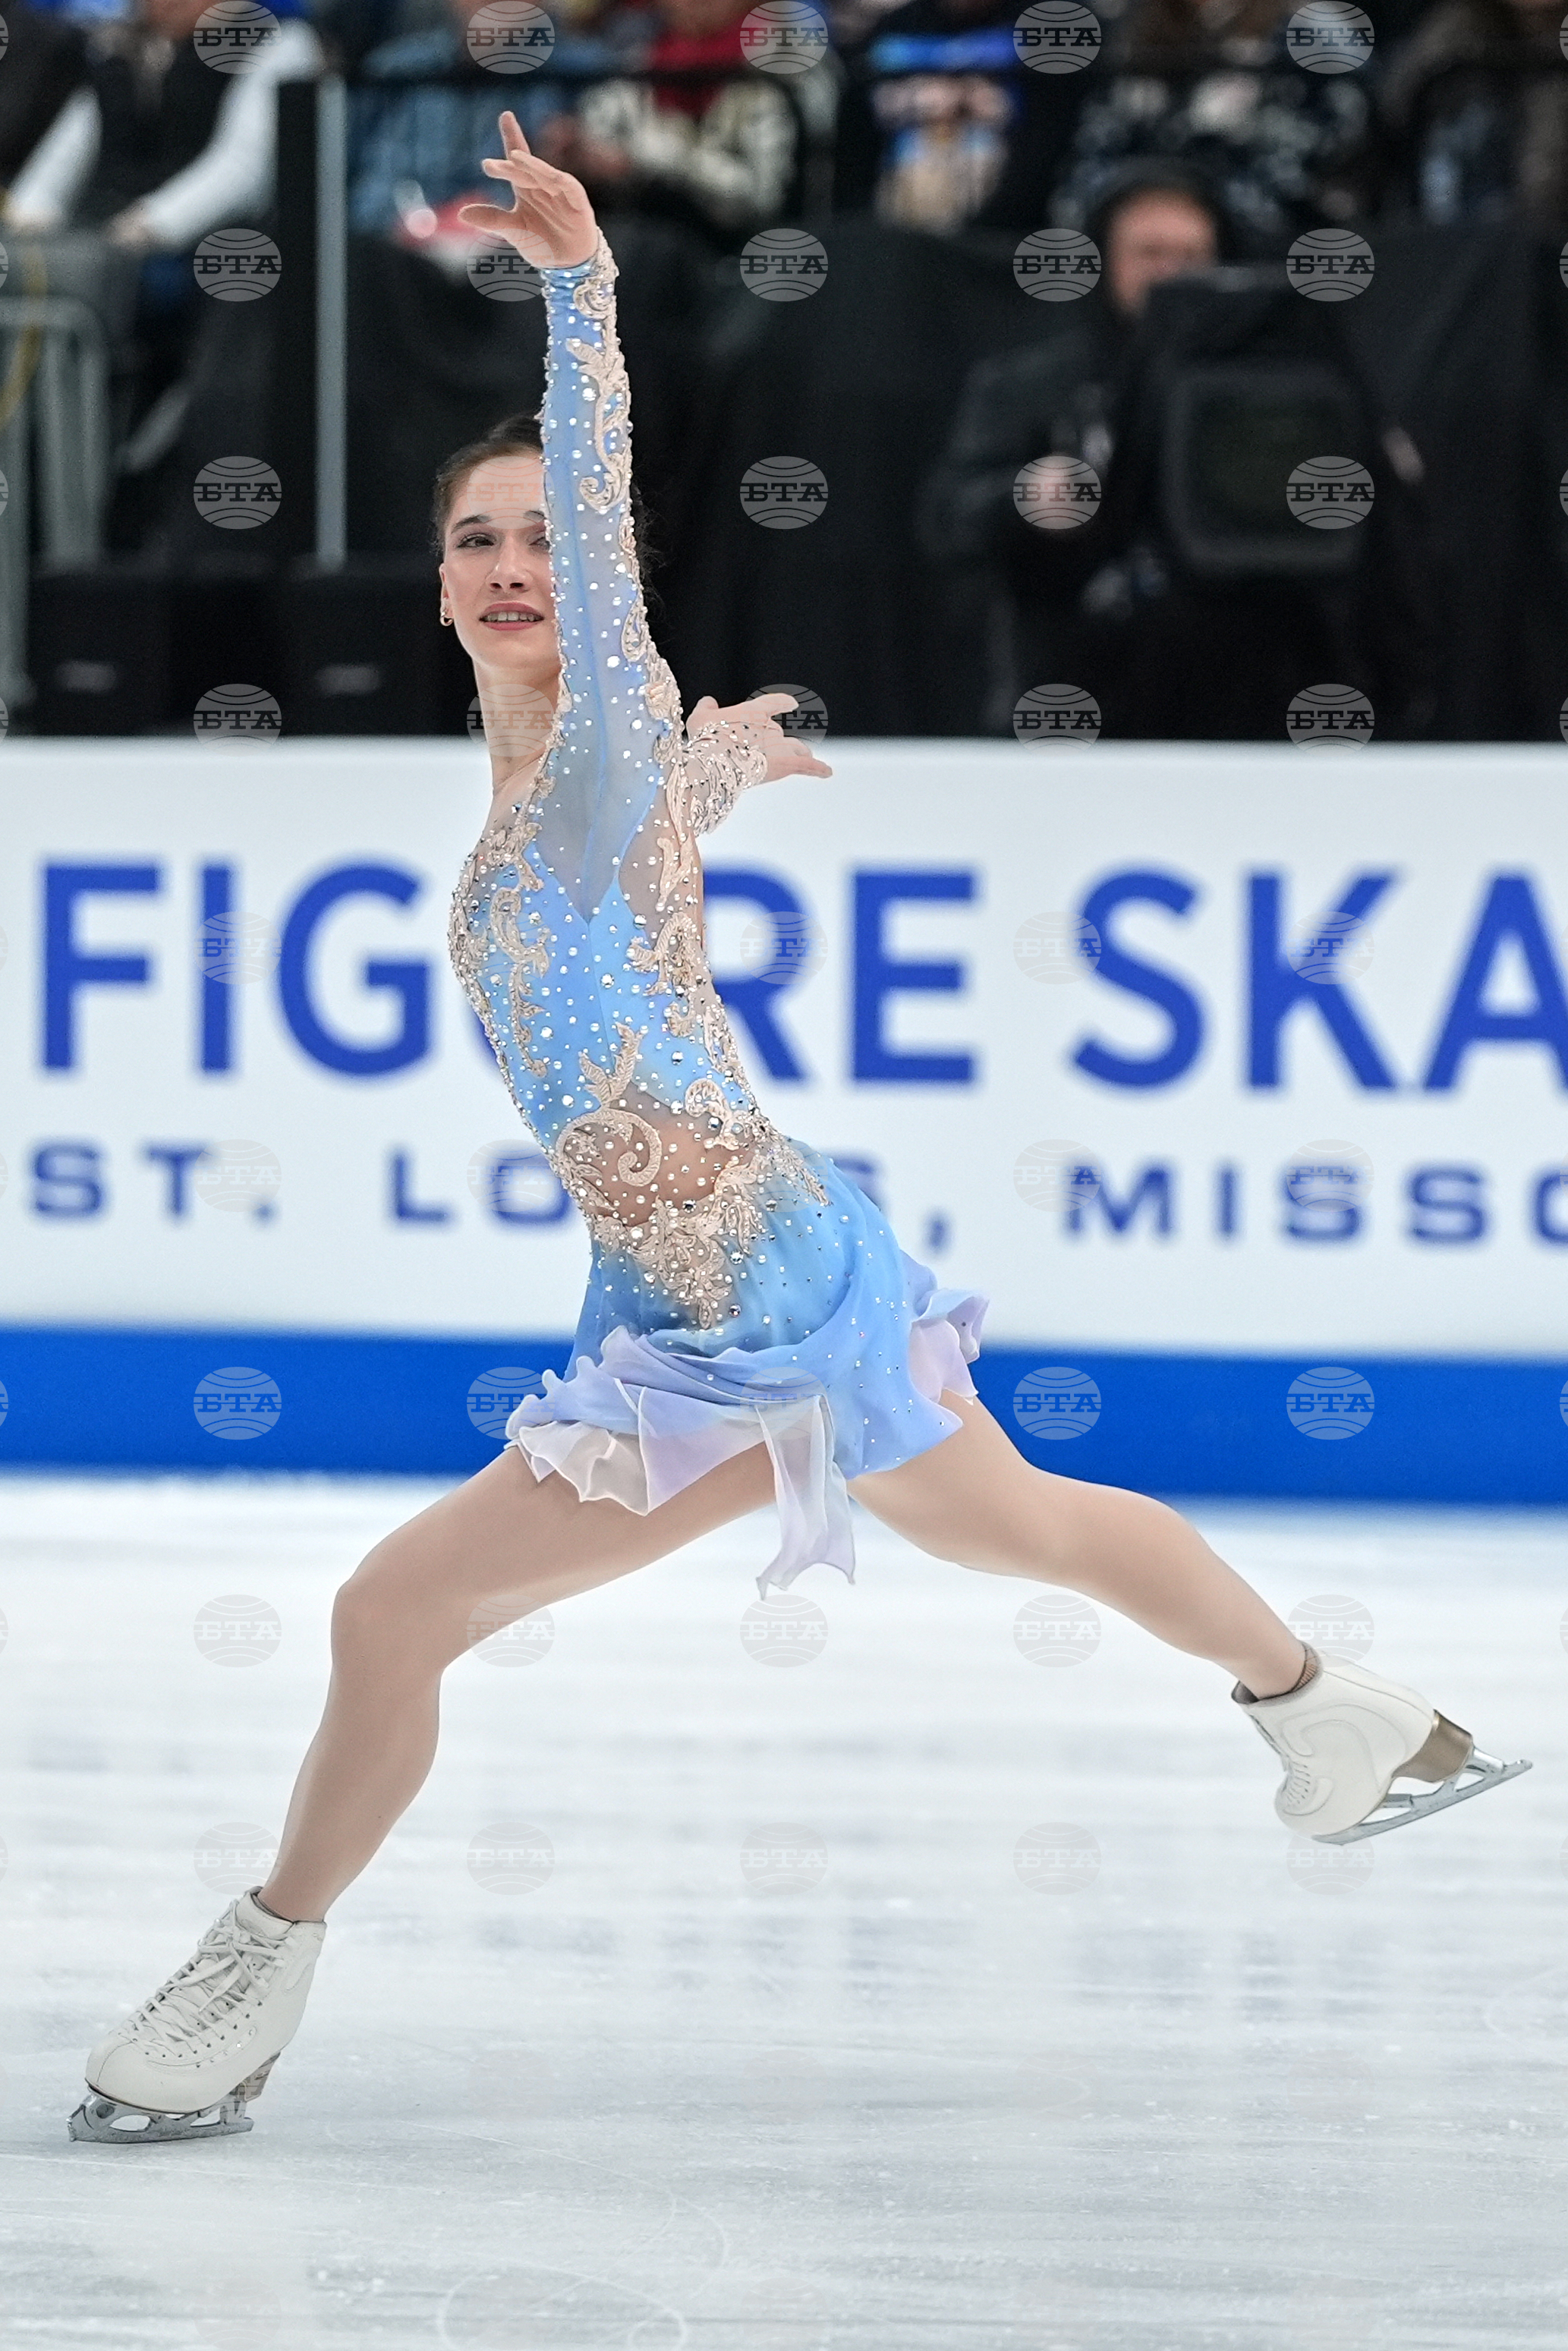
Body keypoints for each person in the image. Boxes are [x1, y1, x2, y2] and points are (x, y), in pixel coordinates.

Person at [67, 113, 1527, 2149]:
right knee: (1012, 1525)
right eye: (471, 543)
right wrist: (727, 763)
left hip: (760, 1297)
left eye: (536, 542)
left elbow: (606, 585)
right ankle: (1331, 1713)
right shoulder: (585, 782)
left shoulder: (589, 740)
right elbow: (651, 837)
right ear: (429, 584)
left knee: (399, 1608)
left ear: (594, 578)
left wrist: (582, 292)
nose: (510, 567)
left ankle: (246, 1976)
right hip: (705, 1302)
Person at [923, 165, 1225, 729]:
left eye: (1189, 256)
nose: (1170, 275)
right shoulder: (1031, 384)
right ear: (1105, 261)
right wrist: (1025, 498)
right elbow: (947, 516)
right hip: (1062, 686)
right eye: (1150, 253)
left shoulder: (1258, 388)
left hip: (1222, 694)